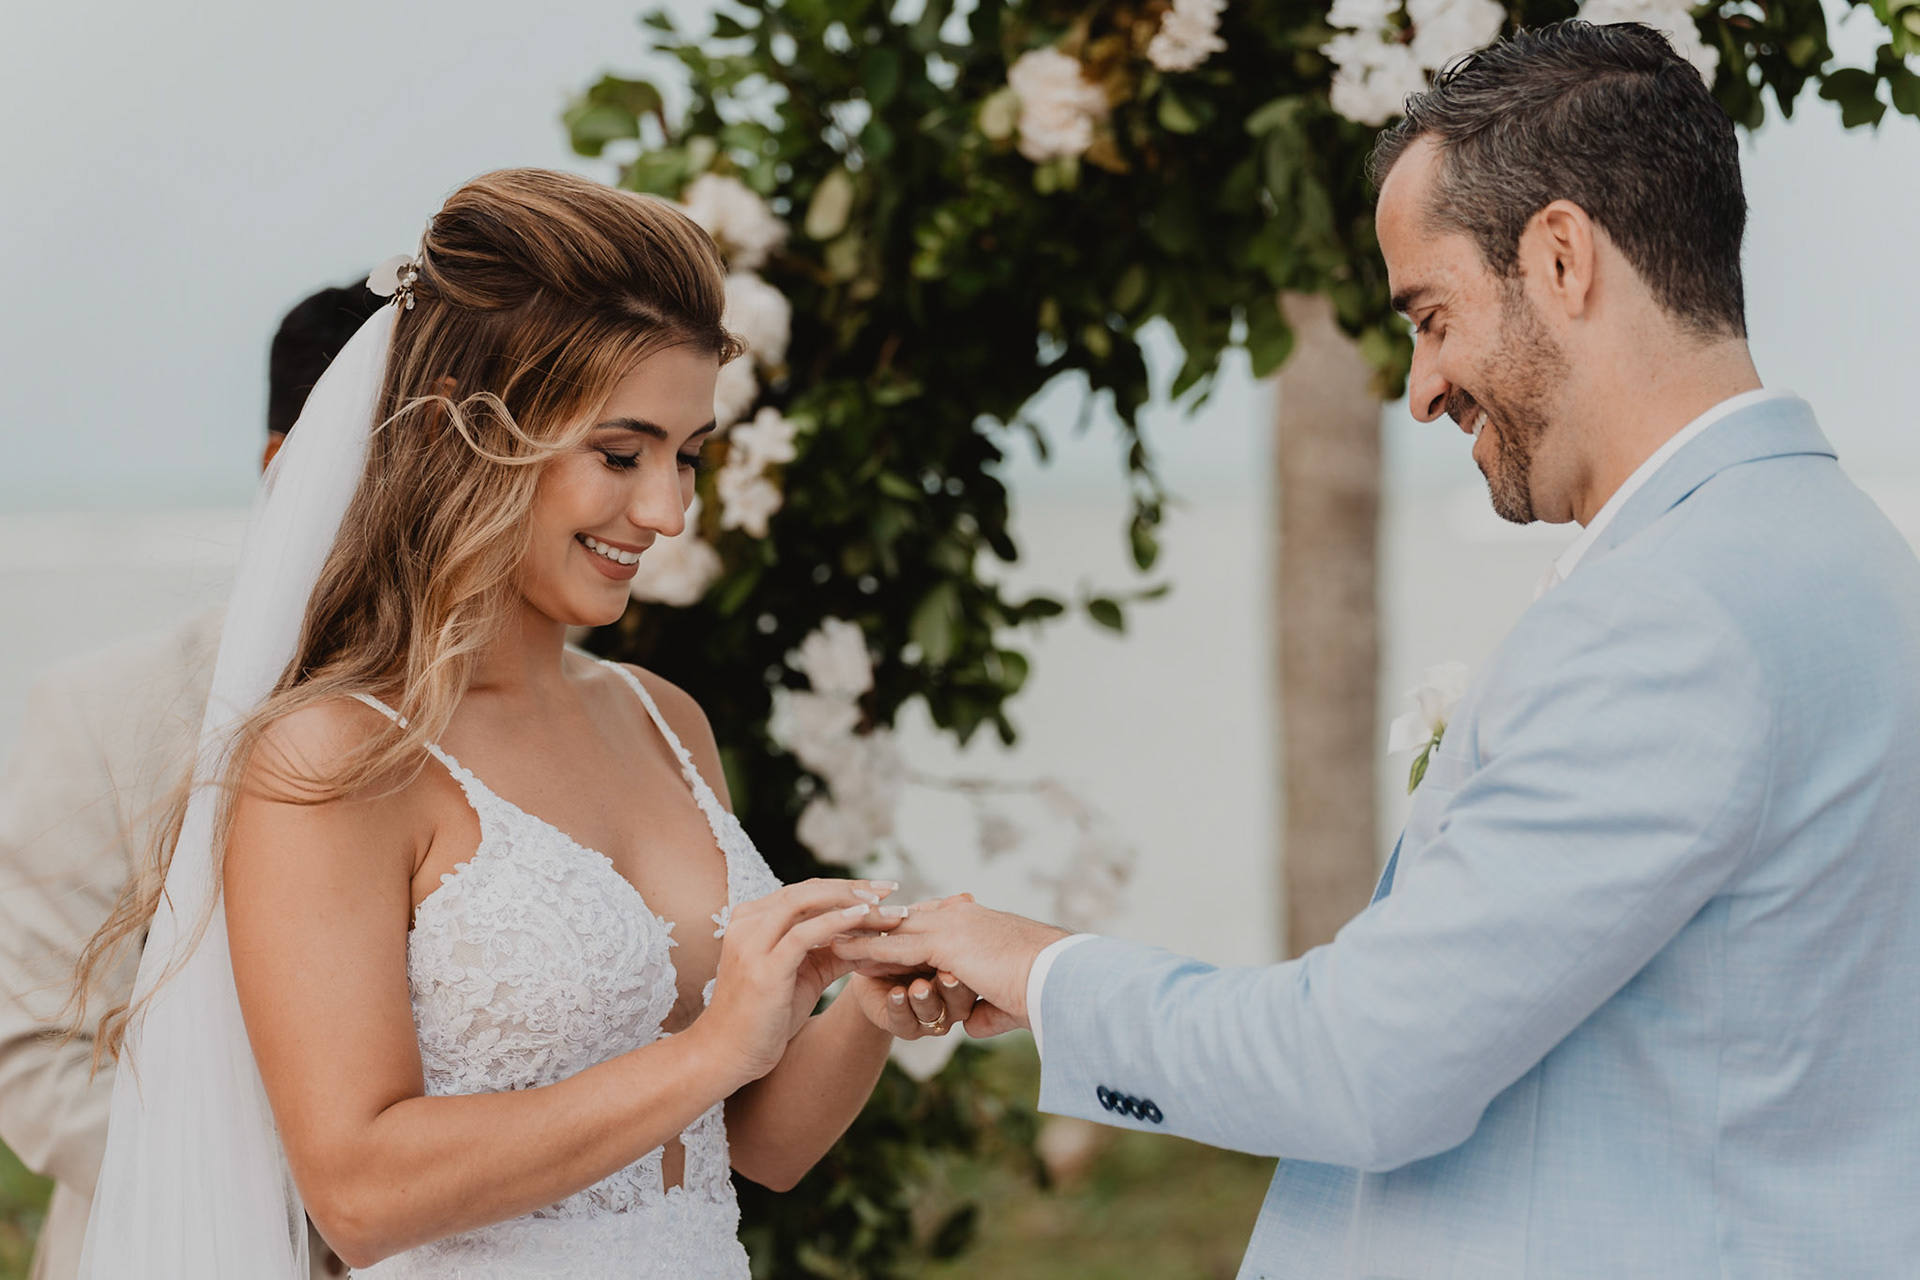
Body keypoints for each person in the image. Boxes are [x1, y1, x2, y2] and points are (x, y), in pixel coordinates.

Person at [835, 22, 1920, 1279]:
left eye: (1432, 314)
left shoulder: (1674, 612)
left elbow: (1366, 1064)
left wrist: (1039, 968)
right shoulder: (1855, 561)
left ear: (1562, 256)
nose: (1419, 387)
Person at [67, 168, 971, 1279]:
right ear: (463, 429)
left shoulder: (662, 718)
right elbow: (359, 1188)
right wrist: (715, 1046)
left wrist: (867, 1011)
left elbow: (747, 1144)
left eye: (687, 456)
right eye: (622, 452)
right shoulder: (335, 756)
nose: (669, 511)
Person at [0, 280, 384, 1280]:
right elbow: (37, 1051)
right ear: (283, 465)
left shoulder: (551, 710)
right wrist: (325, 1213)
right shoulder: (101, 709)